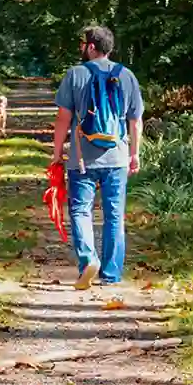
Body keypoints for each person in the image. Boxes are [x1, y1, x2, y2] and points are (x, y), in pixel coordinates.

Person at [49, 25, 143, 290]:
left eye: (83, 44)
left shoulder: (75, 74)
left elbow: (63, 119)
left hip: (82, 158)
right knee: (114, 215)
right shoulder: (127, 76)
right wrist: (135, 153)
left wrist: (57, 154)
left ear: (91, 47)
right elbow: (135, 121)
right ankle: (111, 274)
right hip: (117, 157)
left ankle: (89, 260)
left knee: (80, 210)